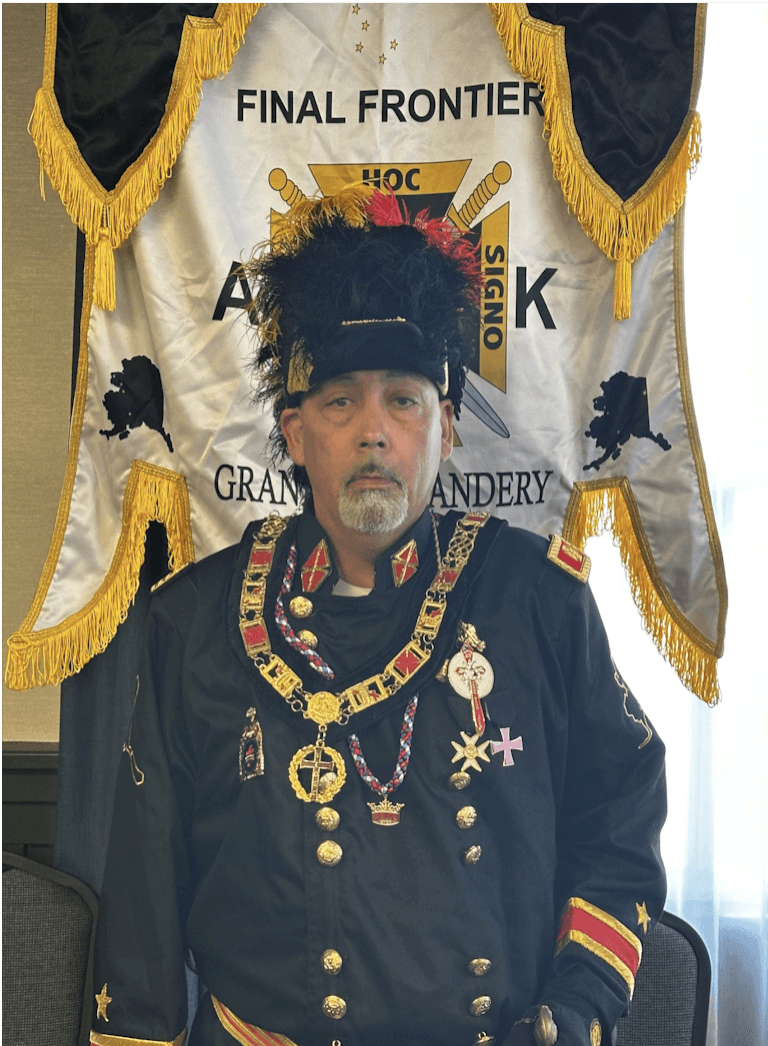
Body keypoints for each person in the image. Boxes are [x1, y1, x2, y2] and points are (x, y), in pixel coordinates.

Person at [90, 187, 666, 1046]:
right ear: (294, 433)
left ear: (446, 428)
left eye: (403, 400)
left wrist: (576, 1010)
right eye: (339, 402)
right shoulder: (192, 621)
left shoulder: (539, 600)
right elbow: (144, 890)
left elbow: (619, 817)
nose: (373, 432)